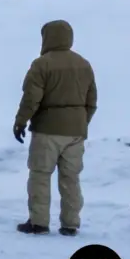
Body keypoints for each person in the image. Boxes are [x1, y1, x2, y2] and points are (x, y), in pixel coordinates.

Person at [16, 18, 97, 236]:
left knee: (40, 175)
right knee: (71, 178)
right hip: (76, 133)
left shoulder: (42, 64)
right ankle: (70, 224)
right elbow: (92, 101)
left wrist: (21, 121)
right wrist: (80, 122)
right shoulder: (84, 64)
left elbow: (31, 98)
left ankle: (39, 223)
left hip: (46, 131)